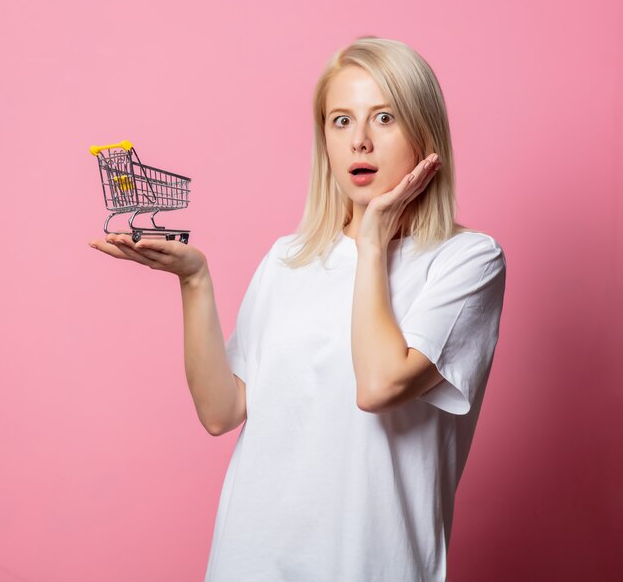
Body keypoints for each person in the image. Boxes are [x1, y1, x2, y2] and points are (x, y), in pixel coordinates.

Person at [89, 35, 507, 582]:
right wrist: (194, 280)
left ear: (424, 132)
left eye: (384, 118)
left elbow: (378, 386)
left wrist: (373, 242)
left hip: (371, 564)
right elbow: (222, 412)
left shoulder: (466, 261)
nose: (359, 141)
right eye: (340, 121)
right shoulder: (290, 257)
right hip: (251, 560)